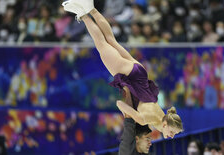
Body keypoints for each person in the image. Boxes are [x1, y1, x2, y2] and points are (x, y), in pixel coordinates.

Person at [62, 0, 183, 139]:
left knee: (111, 40)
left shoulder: (162, 116)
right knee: (101, 44)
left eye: (174, 134)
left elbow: (148, 108)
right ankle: (83, 14)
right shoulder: (147, 120)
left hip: (140, 72)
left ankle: (91, 10)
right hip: (129, 75)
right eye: (172, 132)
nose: (171, 136)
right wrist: (129, 114)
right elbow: (119, 103)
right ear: (166, 125)